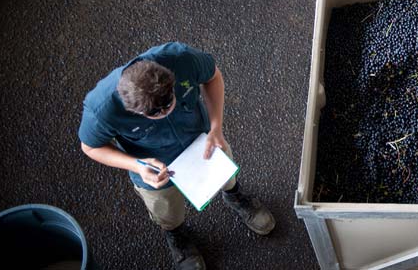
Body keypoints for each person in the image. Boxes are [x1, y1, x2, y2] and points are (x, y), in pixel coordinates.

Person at [79, 42, 274, 270]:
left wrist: (216, 128)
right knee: (167, 211)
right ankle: (177, 235)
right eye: (155, 113)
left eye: (169, 103)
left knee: (226, 176)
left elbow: (213, 77)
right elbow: (90, 147)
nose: (165, 113)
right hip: (155, 169)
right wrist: (137, 165)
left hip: (203, 142)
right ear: (133, 110)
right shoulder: (101, 108)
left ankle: (235, 196)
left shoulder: (182, 58)